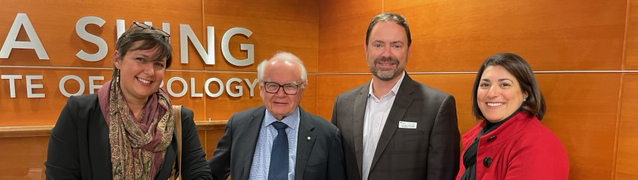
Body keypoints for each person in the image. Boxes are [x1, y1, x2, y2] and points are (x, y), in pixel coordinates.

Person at [45, 21, 212, 180]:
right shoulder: (80, 112)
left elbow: (200, 173)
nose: (150, 71)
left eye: (158, 64)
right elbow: (59, 175)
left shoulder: (179, 118)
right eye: (141, 59)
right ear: (118, 59)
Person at [331, 12, 460, 180]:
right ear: (365, 48)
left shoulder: (437, 107)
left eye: (396, 46)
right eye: (378, 45)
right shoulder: (343, 104)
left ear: (409, 49)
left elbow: (442, 175)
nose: (386, 54)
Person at [208, 52, 346, 180]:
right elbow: (212, 174)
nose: (280, 94)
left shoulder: (327, 135)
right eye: (272, 85)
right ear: (261, 88)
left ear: (302, 89)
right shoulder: (238, 125)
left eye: (290, 86)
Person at [456, 53, 569, 179]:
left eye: (504, 84)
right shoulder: (477, 138)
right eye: (485, 85)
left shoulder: (537, 145)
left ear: (525, 93)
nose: (492, 93)